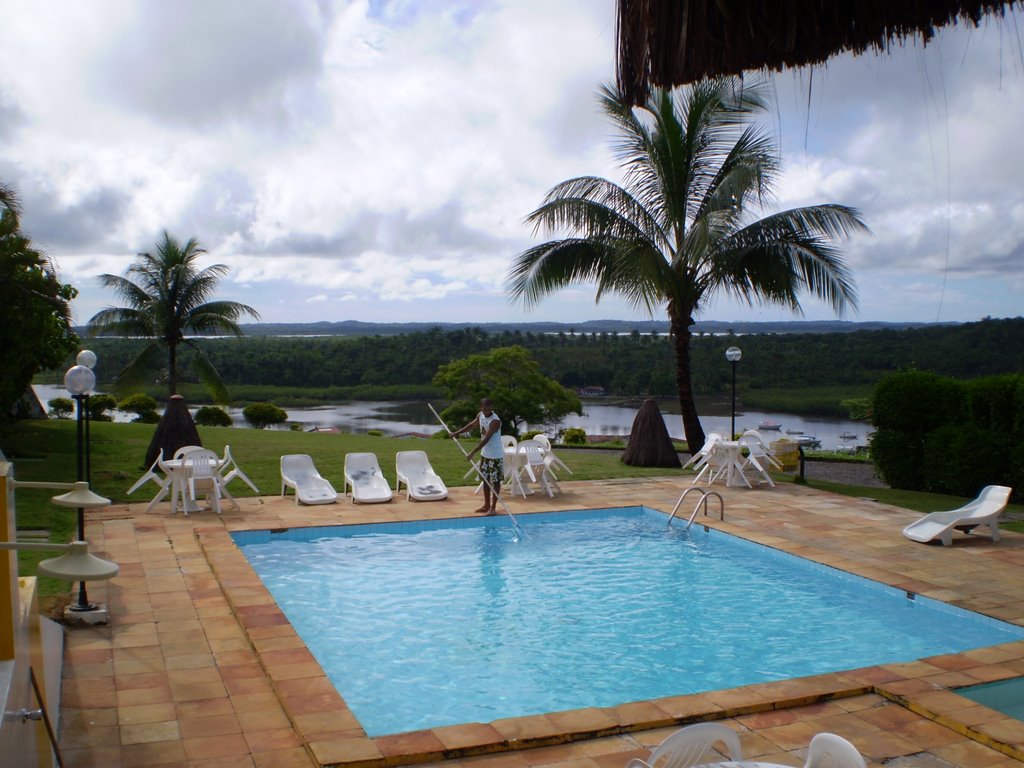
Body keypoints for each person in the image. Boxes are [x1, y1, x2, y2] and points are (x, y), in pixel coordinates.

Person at [451, 398, 504, 515]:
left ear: (492, 407)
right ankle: (486, 505)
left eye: (489, 409)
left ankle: (493, 508)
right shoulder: (480, 415)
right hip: (485, 454)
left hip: (495, 455)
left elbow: (486, 439)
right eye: (485, 409)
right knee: (485, 480)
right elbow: (471, 425)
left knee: (495, 482)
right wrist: (457, 433)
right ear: (481, 408)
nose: (487, 411)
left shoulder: (495, 421)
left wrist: (473, 452)